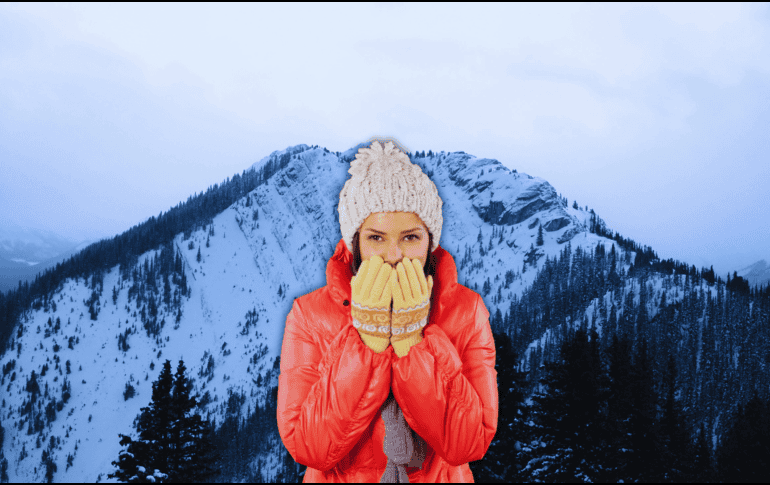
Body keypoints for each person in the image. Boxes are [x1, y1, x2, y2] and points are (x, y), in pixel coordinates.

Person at [277, 140, 498, 482]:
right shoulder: (310, 315)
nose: (394, 255)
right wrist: (368, 341)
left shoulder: (465, 311)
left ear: (430, 241)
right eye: (376, 239)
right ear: (356, 243)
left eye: (410, 238)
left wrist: (413, 342)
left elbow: (468, 445)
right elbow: (310, 449)